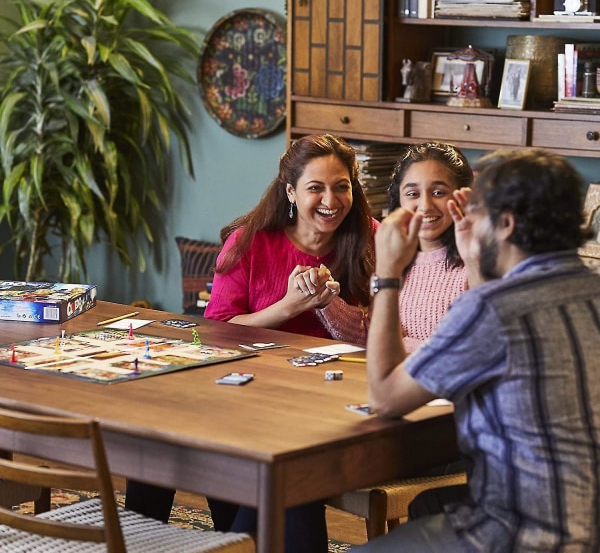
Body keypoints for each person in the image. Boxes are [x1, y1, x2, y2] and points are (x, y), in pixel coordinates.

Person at [126, 133, 378, 553]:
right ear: (291, 192)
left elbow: (385, 325)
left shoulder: (371, 237)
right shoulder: (250, 241)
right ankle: (136, 542)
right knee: (160, 440)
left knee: (278, 471)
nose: (331, 200)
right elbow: (215, 329)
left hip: (330, 399)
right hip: (248, 391)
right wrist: (288, 306)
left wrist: (328, 305)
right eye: (316, 187)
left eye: (341, 186)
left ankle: (235, 540)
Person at [357, 148, 600, 551]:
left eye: (478, 211)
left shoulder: (493, 308)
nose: (467, 220)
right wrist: (476, 260)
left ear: (504, 224)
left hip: (521, 534)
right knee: (430, 505)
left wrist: (387, 274)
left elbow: (385, 398)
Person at [319, 141, 476, 353]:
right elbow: (371, 334)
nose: (425, 205)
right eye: (412, 194)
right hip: (391, 382)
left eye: (438, 192)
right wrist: (326, 300)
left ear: (461, 196)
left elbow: (470, 350)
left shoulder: (476, 262)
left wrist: (394, 344)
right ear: (399, 199)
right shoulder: (393, 257)